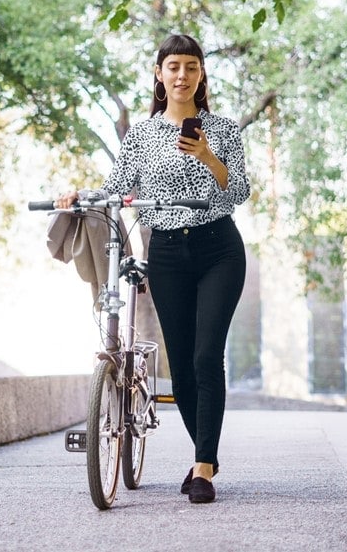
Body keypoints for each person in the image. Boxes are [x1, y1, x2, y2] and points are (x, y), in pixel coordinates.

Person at [57, 33, 250, 504]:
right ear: (159, 75)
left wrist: (207, 156)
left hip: (217, 248)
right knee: (181, 369)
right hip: (165, 253)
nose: (181, 75)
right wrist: (78, 197)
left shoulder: (220, 129)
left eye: (190, 66)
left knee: (207, 357)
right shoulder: (140, 136)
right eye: (173, 67)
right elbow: (116, 188)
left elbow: (239, 190)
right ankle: (205, 453)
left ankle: (203, 467)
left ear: (201, 74)